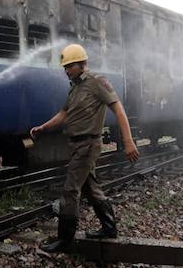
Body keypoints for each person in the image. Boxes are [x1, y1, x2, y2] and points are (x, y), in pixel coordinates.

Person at [29, 44, 139, 253]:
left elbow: (118, 109)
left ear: (82, 64)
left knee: (71, 190)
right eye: (65, 67)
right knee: (91, 188)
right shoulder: (75, 88)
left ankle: (65, 239)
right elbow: (63, 113)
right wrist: (44, 127)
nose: (66, 70)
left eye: (70, 66)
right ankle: (109, 229)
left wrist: (128, 141)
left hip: (88, 144)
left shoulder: (97, 82)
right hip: (76, 144)